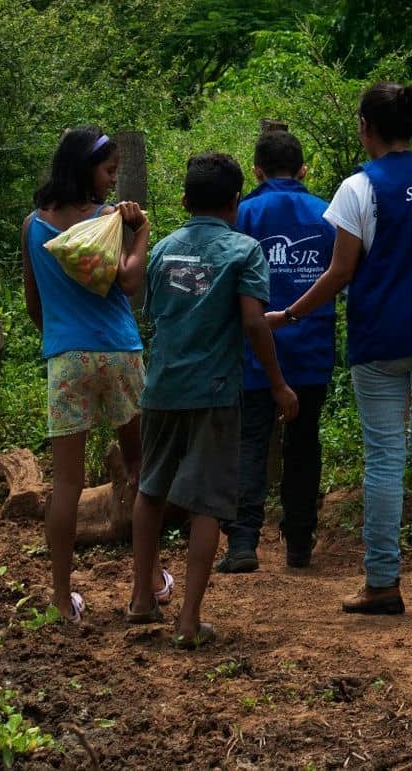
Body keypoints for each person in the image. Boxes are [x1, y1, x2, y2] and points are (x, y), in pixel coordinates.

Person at [266, 83, 412, 616]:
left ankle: (382, 582)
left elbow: (340, 272)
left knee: (384, 455)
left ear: (365, 127)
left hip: (381, 339)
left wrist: (289, 314)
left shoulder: (360, 188)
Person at [129, 152, 299, 648]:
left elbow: (165, 312)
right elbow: (248, 320)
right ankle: (187, 621)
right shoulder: (244, 250)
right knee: (207, 501)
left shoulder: (161, 250)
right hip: (216, 392)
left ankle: (141, 599)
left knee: (151, 488)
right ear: (236, 201)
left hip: (160, 388)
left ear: (184, 201)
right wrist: (277, 383)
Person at [20, 126, 165, 624]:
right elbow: (128, 283)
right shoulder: (108, 221)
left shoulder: (34, 227)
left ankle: (62, 600)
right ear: (87, 169)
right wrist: (141, 231)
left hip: (67, 360)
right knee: (140, 469)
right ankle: (148, 582)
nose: (113, 179)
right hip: (120, 354)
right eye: (108, 171)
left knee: (66, 485)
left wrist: (62, 335)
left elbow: (32, 303)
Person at [218, 125, 336, 573]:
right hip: (311, 350)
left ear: (257, 171)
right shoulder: (326, 214)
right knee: (304, 444)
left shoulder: (243, 215)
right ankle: (300, 544)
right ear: (303, 169)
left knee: (249, 442)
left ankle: (243, 541)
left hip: (252, 351)